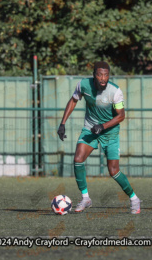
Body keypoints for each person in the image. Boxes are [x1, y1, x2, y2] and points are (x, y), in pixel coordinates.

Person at [57, 61, 141, 214]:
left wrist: (103, 126)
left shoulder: (115, 91)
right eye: (100, 75)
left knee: (113, 171)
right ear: (93, 75)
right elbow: (74, 100)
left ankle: (134, 198)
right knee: (78, 159)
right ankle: (85, 198)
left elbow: (121, 116)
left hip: (110, 133)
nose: (103, 78)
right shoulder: (83, 85)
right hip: (90, 129)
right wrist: (62, 123)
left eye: (106, 75)